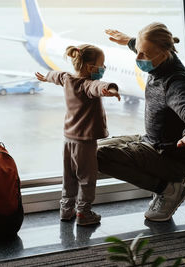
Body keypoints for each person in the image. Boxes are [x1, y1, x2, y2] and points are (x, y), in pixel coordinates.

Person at [97, 23, 185, 222]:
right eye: (138, 51)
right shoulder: (162, 57)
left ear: (164, 54)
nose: (138, 59)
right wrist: (129, 41)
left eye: (144, 55)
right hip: (152, 140)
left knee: (98, 156)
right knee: (89, 149)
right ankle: (166, 185)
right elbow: (145, 47)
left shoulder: (175, 82)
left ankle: (168, 189)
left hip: (170, 157)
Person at [35, 44, 120, 226]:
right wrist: (110, 89)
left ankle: (66, 211)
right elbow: (97, 86)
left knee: (69, 176)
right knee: (87, 178)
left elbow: (56, 75)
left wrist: (46, 77)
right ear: (90, 67)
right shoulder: (86, 84)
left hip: (68, 139)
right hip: (85, 141)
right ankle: (83, 213)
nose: (103, 68)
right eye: (102, 65)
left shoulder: (67, 79)